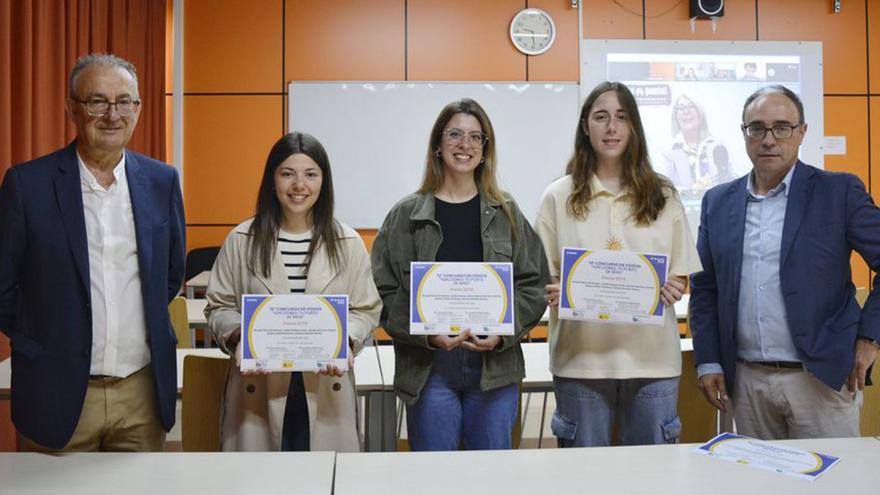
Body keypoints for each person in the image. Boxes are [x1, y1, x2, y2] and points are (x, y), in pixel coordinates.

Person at [0, 53, 185, 451]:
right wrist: (40, 340)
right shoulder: (27, 185)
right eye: (97, 101)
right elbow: (3, 286)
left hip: (141, 394)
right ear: (71, 108)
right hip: (57, 388)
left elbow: (169, 276)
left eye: (124, 102)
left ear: (138, 108)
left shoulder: (161, 181)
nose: (112, 114)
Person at [689, 85, 880, 439]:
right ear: (744, 134)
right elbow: (705, 288)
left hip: (820, 379)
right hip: (746, 382)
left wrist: (870, 338)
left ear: (802, 132)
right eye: (757, 128)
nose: (769, 139)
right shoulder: (717, 202)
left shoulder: (838, 193)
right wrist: (709, 360)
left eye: (782, 127)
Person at [371, 98, 549, 451]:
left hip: (494, 369)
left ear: (485, 150)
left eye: (474, 137)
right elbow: (382, 291)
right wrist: (427, 335)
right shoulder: (405, 216)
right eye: (454, 134)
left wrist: (503, 335)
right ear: (438, 146)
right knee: (436, 480)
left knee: (490, 478)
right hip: (430, 368)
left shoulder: (507, 213)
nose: (464, 145)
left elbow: (534, 284)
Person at [536, 82, 702, 447]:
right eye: (600, 117)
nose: (611, 127)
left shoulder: (664, 194)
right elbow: (542, 276)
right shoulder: (558, 195)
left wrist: (675, 286)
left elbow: (679, 273)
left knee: (652, 478)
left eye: (621, 117)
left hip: (652, 363)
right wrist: (550, 291)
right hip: (580, 363)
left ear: (633, 127)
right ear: (585, 127)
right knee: (583, 479)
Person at [205, 132, 381, 451]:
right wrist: (237, 336)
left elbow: (366, 309)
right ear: (272, 180)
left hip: (326, 383)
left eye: (310, 174)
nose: (299, 185)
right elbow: (219, 306)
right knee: (264, 482)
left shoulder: (348, 242)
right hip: (259, 385)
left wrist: (347, 340)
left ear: (323, 182)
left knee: (323, 479)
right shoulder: (241, 239)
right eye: (288, 174)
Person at [660, 95, 732, 192]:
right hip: (681, 205)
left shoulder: (718, 145)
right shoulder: (667, 151)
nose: (686, 112)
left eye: (691, 106)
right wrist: (692, 191)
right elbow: (663, 187)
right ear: (675, 115)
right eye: (681, 108)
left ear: (700, 111)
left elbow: (730, 181)